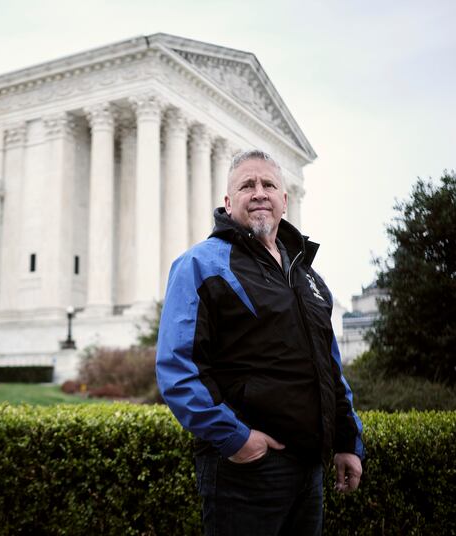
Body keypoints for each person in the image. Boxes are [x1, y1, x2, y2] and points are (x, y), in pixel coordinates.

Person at [155, 149, 364, 535]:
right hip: (246, 472)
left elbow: (330, 370)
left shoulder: (309, 279)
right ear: (228, 201)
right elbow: (178, 368)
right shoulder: (200, 265)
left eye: (269, 184)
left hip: (309, 472)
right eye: (246, 185)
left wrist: (347, 442)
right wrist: (237, 439)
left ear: (285, 200)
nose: (259, 192)